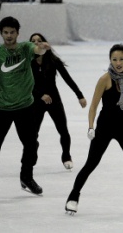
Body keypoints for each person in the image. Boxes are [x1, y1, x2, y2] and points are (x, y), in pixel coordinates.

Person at [65, 44, 123, 214]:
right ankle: (73, 197)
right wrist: (91, 127)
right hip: (105, 127)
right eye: (114, 59)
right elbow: (93, 106)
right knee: (91, 164)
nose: (118, 62)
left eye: (121, 59)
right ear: (110, 60)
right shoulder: (105, 79)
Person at [0, 16, 51, 195]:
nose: (9, 35)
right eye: (6, 32)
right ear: (1, 33)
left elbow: (37, 50)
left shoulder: (25, 48)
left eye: (12, 32)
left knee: (31, 145)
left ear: (18, 33)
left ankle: (26, 177)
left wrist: (41, 48)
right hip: (2, 108)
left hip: (25, 107)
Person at [29, 33, 87, 171]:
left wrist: (80, 95)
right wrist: (40, 95)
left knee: (63, 130)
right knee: (32, 133)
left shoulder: (53, 61)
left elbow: (67, 78)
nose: (36, 43)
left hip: (54, 100)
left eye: (39, 40)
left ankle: (66, 156)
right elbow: (25, 84)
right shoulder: (28, 62)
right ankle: (32, 153)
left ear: (45, 43)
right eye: (33, 41)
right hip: (37, 101)